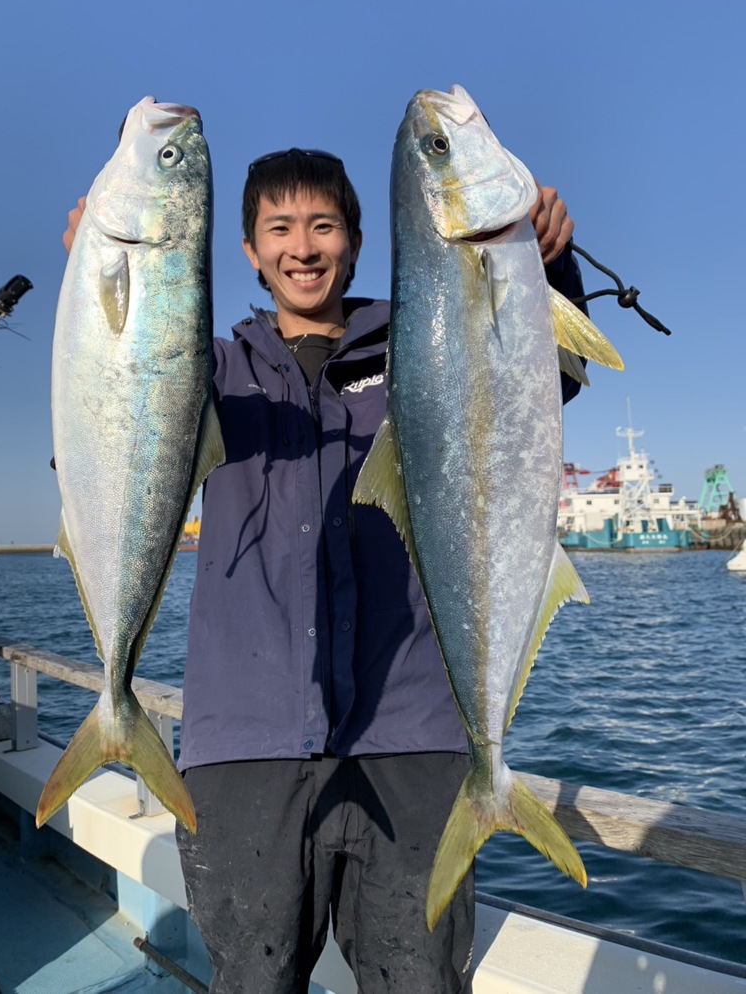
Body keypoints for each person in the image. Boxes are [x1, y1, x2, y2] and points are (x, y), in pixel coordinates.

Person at [63, 149, 582, 994]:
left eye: (323, 225)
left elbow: (535, 386)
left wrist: (547, 270)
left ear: (357, 239)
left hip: (412, 739)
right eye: (280, 228)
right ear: (247, 249)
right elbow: (112, 431)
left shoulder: (427, 348)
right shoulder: (212, 371)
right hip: (246, 748)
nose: (302, 247)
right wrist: (102, 286)